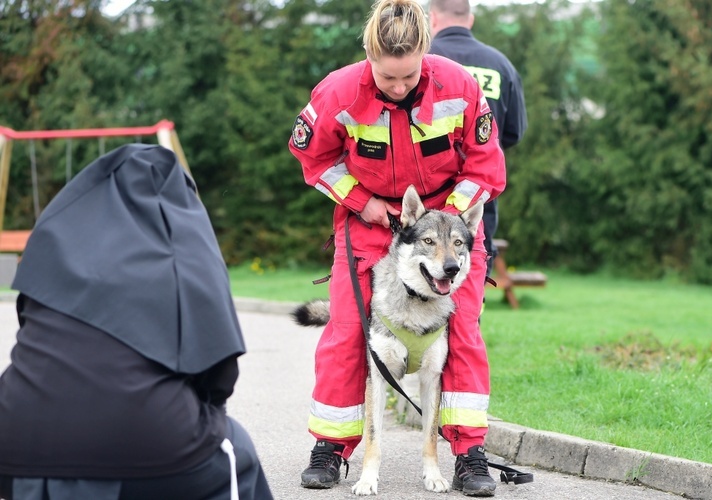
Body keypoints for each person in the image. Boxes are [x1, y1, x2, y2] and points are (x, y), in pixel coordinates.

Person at [288, 0, 505, 496]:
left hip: (445, 226)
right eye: (389, 79)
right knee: (346, 332)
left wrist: (448, 220)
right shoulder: (338, 91)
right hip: (370, 221)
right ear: (370, 57)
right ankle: (330, 448)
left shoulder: (460, 86)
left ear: (425, 53)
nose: (401, 87)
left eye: (409, 77)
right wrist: (361, 201)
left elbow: (487, 165)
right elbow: (312, 157)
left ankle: (469, 455)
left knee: (464, 334)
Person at [0, 144, 273, 500]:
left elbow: (30, 331)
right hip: (150, 443)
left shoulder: (55, 250)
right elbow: (220, 372)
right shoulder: (188, 256)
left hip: (15, 442)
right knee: (237, 451)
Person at [429, 0, 528, 277]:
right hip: (478, 201)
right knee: (470, 292)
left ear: (432, 19)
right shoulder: (501, 65)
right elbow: (513, 133)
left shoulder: (418, 60)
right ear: (469, 20)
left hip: (425, 198)